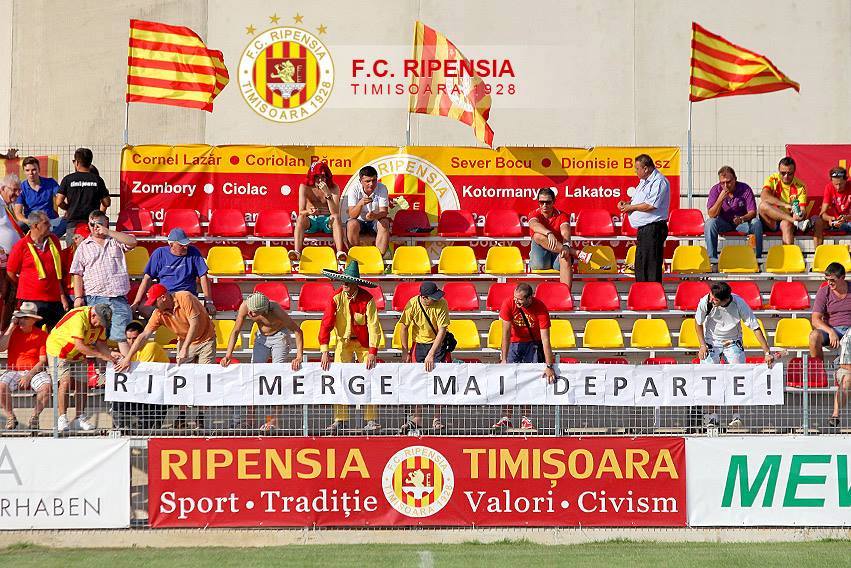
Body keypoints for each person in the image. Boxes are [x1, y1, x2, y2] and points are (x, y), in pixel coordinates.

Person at [695, 281, 774, 428]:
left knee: (737, 378)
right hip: (711, 342)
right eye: (711, 296)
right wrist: (702, 345)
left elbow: (755, 327)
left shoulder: (739, 303)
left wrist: (767, 352)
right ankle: (712, 417)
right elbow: (698, 322)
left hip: (733, 342)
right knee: (710, 379)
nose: (712, 300)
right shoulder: (705, 301)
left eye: (715, 299)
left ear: (725, 299)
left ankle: (736, 416)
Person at [221, 292, 304, 431]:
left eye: (254, 312)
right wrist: (228, 355)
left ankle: (273, 420)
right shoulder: (245, 306)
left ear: (264, 311)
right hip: (261, 338)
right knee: (254, 376)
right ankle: (250, 419)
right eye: (250, 311)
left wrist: (299, 356)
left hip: (280, 337)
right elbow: (236, 331)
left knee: (277, 378)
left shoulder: (276, 310)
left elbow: (297, 331)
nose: (250, 314)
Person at [318, 261, 383, 433]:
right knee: (340, 378)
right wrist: (325, 351)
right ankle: (340, 420)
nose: (344, 285)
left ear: (355, 284)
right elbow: (326, 324)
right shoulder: (335, 297)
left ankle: (371, 419)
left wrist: (372, 351)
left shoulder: (367, 299)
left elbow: (374, 326)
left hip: (364, 343)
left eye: (347, 282)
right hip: (343, 342)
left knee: (369, 377)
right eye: (343, 282)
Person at [70, 210, 137, 356]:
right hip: (95, 298)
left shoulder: (115, 241)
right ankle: (103, 369)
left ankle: (128, 367)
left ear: (106, 223)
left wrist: (108, 232)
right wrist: (78, 297)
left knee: (122, 337)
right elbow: (77, 274)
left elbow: (133, 242)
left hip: (118, 297)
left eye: (99, 224)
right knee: (98, 340)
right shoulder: (83, 246)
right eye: (92, 224)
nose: (95, 227)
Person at [493, 283, 556, 431]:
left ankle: (526, 418)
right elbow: (505, 333)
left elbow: (545, 339)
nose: (516, 301)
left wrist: (549, 365)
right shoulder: (508, 303)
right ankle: (506, 417)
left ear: (529, 298)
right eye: (515, 298)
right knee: (509, 380)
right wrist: (504, 358)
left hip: (532, 344)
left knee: (528, 381)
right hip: (514, 343)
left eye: (520, 299)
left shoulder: (540, 308)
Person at [46, 303, 116, 432]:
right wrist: (101, 355)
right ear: (93, 315)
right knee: (65, 382)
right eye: (99, 322)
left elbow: (101, 344)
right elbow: (79, 345)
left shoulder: (100, 324)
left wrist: (111, 355)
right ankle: (62, 418)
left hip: (78, 354)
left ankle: (79, 418)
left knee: (83, 384)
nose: (100, 325)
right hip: (59, 351)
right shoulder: (78, 317)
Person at [117, 284, 216, 368]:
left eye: (154, 302)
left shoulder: (185, 297)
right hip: (184, 340)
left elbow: (194, 324)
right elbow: (144, 335)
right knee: (184, 374)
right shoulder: (157, 313)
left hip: (205, 339)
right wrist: (127, 358)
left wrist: (184, 348)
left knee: (205, 373)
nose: (153, 305)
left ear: (163, 298)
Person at [398, 281, 452, 434]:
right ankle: (417, 418)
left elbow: (442, 330)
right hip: (419, 344)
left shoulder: (442, 303)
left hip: (437, 344)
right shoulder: (413, 304)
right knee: (417, 381)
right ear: (423, 297)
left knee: (439, 381)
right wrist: (405, 351)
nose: (436, 299)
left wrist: (432, 353)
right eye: (432, 297)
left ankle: (437, 418)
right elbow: (404, 327)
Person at [6, 211, 70, 329]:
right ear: (35, 226)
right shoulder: (21, 245)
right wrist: (25, 286)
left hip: (54, 298)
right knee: (32, 333)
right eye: (46, 223)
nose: (50, 225)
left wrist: (62, 296)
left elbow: (57, 273)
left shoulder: (54, 241)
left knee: (55, 334)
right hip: (31, 300)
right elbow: (11, 272)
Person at [130, 228, 214, 316]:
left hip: (186, 296)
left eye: (186, 244)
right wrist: (136, 302)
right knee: (144, 309)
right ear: (171, 245)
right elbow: (147, 278)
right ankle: (168, 320)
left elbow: (203, 276)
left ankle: (169, 320)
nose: (185, 247)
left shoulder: (193, 252)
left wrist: (208, 301)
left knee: (183, 307)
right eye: (181, 245)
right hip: (164, 297)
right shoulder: (159, 253)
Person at [527, 187, 593, 290]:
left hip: (557, 253)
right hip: (541, 259)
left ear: (554, 202)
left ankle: (566, 294)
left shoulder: (562, 215)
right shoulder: (534, 213)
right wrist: (549, 233)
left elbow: (565, 230)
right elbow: (534, 225)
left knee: (565, 255)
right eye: (541, 202)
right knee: (537, 236)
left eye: (548, 202)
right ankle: (575, 252)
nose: (544, 205)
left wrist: (566, 245)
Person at [618, 154, 670, 283]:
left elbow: (651, 205)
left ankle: (653, 292)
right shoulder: (644, 181)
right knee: (641, 265)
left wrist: (631, 207)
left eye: (637, 169)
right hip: (644, 229)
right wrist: (627, 204)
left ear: (646, 168)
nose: (635, 172)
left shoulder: (659, 181)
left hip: (654, 228)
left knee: (651, 266)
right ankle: (643, 291)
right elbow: (637, 200)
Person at [0, 303, 50, 430]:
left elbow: (42, 361)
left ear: (33, 320)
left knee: (46, 388)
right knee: (1, 386)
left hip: (35, 371)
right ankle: (10, 417)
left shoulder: (42, 335)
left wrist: (29, 375)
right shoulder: (12, 332)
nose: (21, 320)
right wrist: (11, 327)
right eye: (20, 317)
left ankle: (34, 418)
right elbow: (1, 348)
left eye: (25, 317)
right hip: (14, 370)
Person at [112, 321, 170, 432]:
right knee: (117, 400)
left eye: (134, 338)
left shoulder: (151, 346)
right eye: (128, 339)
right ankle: (122, 427)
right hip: (146, 390)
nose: (131, 342)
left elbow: (140, 372)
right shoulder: (132, 352)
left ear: (142, 337)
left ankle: (144, 426)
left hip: (158, 392)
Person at [703, 165, 763, 263]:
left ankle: (757, 259)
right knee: (709, 223)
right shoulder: (715, 190)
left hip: (742, 223)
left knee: (756, 223)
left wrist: (742, 219)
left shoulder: (745, 189)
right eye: (722, 183)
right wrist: (720, 199)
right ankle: (712, 260)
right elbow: (712, 214)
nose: (726, 186)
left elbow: (752, 212)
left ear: (735, 179)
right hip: (724, 223)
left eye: (728, 182)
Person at [290, 161, 346, 264]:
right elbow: (301, 211)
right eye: (317, 177)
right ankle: (297, 252)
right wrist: (309, 211)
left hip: (327, 221)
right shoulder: (304, 187)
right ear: (312, 177)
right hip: (311, 221)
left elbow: (335, 212)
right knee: (300, 218)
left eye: (323, 177)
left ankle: (339, 252)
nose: (320, 180)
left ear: (327, 177)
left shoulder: (334, 188)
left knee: (336, 217)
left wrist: (327, 194)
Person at [55, 147, 110, 244]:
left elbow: (58, 201)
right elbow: (107, 202)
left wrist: (69, 208)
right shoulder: (98, 180)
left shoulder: (68, 179)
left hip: (73, 223)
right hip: (93, 225)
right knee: (93, 251)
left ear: (77, 162)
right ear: (90, 162)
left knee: (73, 251)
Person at [758, 156, 813, 244]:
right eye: (783, 173)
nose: (786, 176)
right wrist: (785, 205)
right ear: (778, 170)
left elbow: (802, 209)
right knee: (762, 206)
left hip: (787, 222)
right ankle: (795, 222)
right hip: (771, 221)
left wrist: (800, 215)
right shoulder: (773, 179)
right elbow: (764, 196)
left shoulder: (800, 186)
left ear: (794, 172)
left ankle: (789, 253)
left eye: (789, 173)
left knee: (786, 224)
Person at [809, 262, 851, 372]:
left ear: (842, 278)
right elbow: (815, 319)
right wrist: (830, 331)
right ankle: (819, 374)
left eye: (832, 280)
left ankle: (841, 364)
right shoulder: (824, 292)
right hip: (832, 329)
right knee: (814, 336)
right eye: (826, 279)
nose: (829, 283)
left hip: (850, 330)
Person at [13, 156, 65, 237]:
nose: (31, 173)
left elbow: (62, 198)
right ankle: (42, 239)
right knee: (15, 228)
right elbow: (18, 213)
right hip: (31, 223)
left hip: (50, 221)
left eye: (34, 169)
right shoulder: (21, 188)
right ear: (24, 171)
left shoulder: (50, 182)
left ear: (39, 170)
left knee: (68, 221)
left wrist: (69, 210)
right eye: (27, 170)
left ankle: (49, 238)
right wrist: (28, 222)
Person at [346, 165, 391, 257]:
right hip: (359, 223)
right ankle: (356, 257)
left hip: (375, 222)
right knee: (351, 224)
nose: (371, 184)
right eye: (367, 181)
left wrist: (375, 216)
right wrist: (360, 204)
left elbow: (384, 212)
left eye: (374, 180)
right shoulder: (354, 189)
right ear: (360, 181)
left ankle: (379, 257)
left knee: (384, 222)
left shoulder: (382, 188)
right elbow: (352, 215)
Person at [0, 174, 24, 329]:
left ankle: (3, 331)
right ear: (3, 188)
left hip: (10, 261)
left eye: (19, 191)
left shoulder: (6, 206)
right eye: (14, 190)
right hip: (2, 262)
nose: (17, 194)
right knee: (4, 295)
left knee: (9, 297)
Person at [814, 166, 851, 247]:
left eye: (840, 184)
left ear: (845, 180)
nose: (838, 187)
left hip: (848, 222)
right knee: (818, 222)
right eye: (835, 184)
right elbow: (822, 213)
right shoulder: (829, 187)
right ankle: (818, 252)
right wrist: (830, 219)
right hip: (835, 223)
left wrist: (845, 218)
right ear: (832, 182)